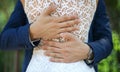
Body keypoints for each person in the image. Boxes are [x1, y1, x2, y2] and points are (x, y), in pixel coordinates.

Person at [0, 0, 113, 72]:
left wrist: (88, 52)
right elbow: (4, 39)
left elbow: (106, 41)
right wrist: (33, 32)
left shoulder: (97, 2)